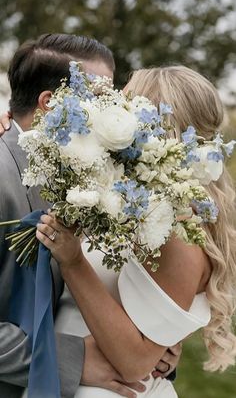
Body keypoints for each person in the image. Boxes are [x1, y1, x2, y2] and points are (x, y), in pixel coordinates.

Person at [35, 66, 236, 397]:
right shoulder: (140, 204)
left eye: (125, 106)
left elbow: (135, 362)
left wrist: (73, 262)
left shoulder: (181, 232)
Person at [0, 34, 179, 398]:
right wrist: (69, 358)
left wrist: (150, 346)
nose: (115, 115)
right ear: (50, 104)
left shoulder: (92, 176)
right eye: (100, 101)